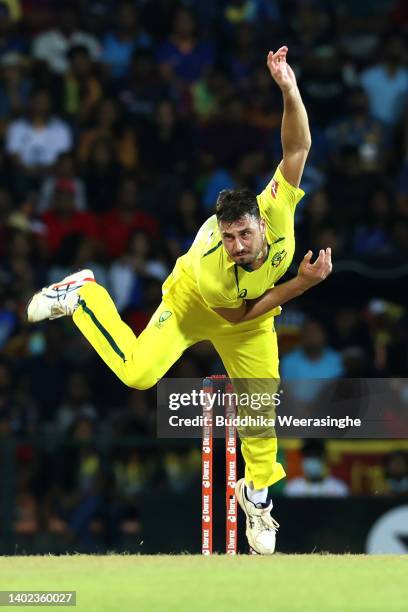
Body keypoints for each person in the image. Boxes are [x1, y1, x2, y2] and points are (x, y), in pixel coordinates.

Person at [26, 47, 332, 555]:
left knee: (261, 408)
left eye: (242, 234)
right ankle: (82, 295)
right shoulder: (214, 269)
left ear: (260, 220)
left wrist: (289, 89)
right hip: (197, 304)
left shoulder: (276, 209)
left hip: (253, 316)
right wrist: (303, 283)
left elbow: (297, 148)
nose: (236, 245)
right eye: (229, 237)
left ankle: (256, 498)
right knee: (139, 374)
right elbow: (239, 311)